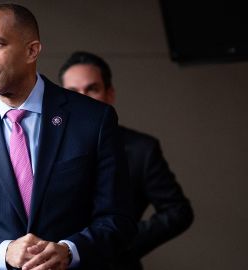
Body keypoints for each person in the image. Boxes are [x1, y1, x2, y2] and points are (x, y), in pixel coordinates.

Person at [0, 4, 136, 270]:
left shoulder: (93, 120)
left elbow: (118, 219)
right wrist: (5, 252)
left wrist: (70, 251)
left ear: (32, 50)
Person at [59, 51, 194, 270]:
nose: (82, 98)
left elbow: (178, 211)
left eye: (92, 89)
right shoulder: (41, 146)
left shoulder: (142, 148)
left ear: (109, 94)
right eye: (72, 92)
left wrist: (120, 241)